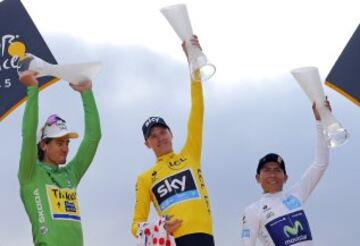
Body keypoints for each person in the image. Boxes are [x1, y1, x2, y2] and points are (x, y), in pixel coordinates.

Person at [131, 36, 215, 246]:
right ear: (147, 144)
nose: (160, 137)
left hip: (205, 237)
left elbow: (198, 108)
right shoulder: (145, 178)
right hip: (175, 241)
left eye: (163, 132)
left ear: (171, 134)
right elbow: (136, 225)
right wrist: (158, 226)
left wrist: (192, 63)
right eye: (153, 135)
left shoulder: (190, 153)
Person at [18, 70, 101, 246]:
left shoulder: (70, 174)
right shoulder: (30, 173)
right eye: (59, 143)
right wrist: (33, 90)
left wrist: (87, 93)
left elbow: (93, 138)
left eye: (67, 143)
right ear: (43, 145)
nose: (65, 148)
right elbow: (28, 135)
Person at [240, 101, 331, 246]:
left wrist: (320, 121)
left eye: (277, 170)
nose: (272, 175)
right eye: (267, 170)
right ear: (258, 178)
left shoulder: (296, 194)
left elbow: (321, 163)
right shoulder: (252, 211)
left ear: (285, 177)